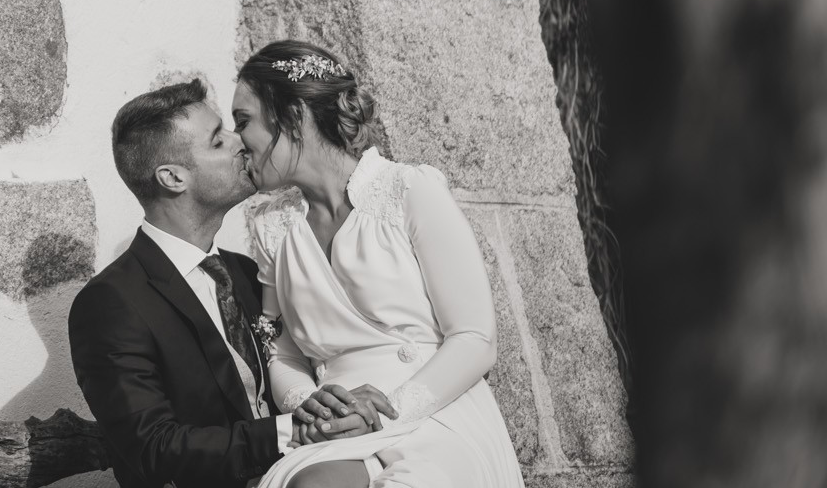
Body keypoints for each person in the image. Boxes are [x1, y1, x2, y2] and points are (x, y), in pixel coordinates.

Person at [231, 40, 525, 488]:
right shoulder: (273, 228)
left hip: (433, 413)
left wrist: (386, 411)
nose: (237, 142)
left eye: (243, 121)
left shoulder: (410, 189)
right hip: (338, 427)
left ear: (291, 115)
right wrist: (311, 404)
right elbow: (284, 352)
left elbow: (475, 338)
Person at [68, 79, 374, 488]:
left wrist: (335, 407)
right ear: (173, 178)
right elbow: (156, 449)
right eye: (217, 140)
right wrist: (293, 430)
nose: (240, 141)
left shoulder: (247, 272)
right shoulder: (109, 303)